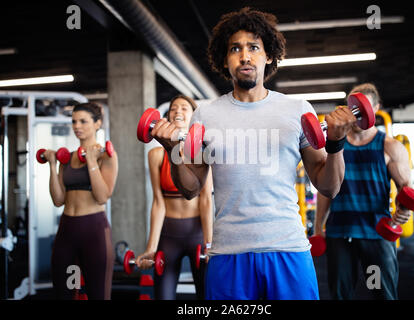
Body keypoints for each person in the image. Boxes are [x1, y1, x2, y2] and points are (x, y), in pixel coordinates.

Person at [149, 7, 357, 300]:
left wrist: (336, 145)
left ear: (268, 55)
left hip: (288, 249)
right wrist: (173, 151)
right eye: (235, 48)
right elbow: (191, 187)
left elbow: (329, 186)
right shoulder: (204, 115)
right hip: (228, 253)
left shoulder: (297, 110)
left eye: (254, 48)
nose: (245, 56)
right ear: (225, 58)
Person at [313, 83, 412, 300]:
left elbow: (407, 189)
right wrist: (318, 228)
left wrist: (404, 211)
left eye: (363, 107)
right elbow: (324, 190)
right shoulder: (334, 146)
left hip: (375, 236)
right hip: (340, 233)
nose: (355, 113)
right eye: (353, 107)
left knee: (379, 293)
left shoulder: (389, 146)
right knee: (341, 295)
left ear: (376, 108)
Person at [136, 95, 213, 300]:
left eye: (184, 108)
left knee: (205, 296)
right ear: (168, 116)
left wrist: (210, 242)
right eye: (173, 109)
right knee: (163, 296)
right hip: (168, 237)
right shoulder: (155, 155)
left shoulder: (202, 152)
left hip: (196, 235)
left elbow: (206, 200)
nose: (177, 111)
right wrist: (151, 248)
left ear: (193, 117)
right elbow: (158, 202)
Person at [45, 102, 118, 300]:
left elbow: (103, 196)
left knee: (98, 294)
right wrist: (53, 165)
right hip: (67, 232)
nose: (77, 126)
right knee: (66, 292)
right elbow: (58, 200)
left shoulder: (106, 156)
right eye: (74, 121)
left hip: (93, 232)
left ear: (97, 124)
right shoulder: (66, 158)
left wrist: (92, 161)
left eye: (83, 121)